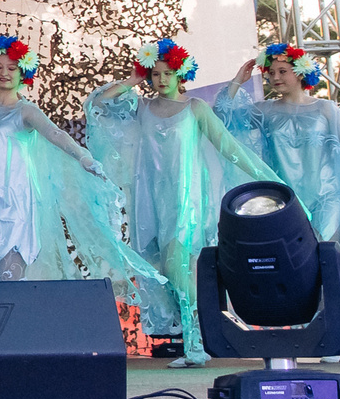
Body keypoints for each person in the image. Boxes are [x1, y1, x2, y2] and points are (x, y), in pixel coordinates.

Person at [0, 35, 157, 305]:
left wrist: (83, 157)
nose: (4, 73)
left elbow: (55, 134)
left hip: (14, 206)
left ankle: (17, 339)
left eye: (11, 68)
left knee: (11, 281)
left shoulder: (25, 111)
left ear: (24, 74)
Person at [85, 37, 278, 365]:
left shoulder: (195, 109)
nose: (160, 80)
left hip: (186, 199)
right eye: (155, 73)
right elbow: (99, 104)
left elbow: (227, 146)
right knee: (167, 270)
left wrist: (266, 179)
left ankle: (196, 344)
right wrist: (132, 81)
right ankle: (199, 338)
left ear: (181, 74)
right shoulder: (142, 107)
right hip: (150, 201)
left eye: (167, 73)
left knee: (178, 265)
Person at [216, 43, 340, 358]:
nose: (275, 77)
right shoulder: (264, 112)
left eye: (282, 71)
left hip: (327, 196)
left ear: (301, 73)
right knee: (300, 267)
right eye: (271, 72)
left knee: (326, 259)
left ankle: (335, 333)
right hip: (287, 203)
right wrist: (238, 80)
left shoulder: (327, 110)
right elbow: (222, 116)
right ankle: (313, 331)